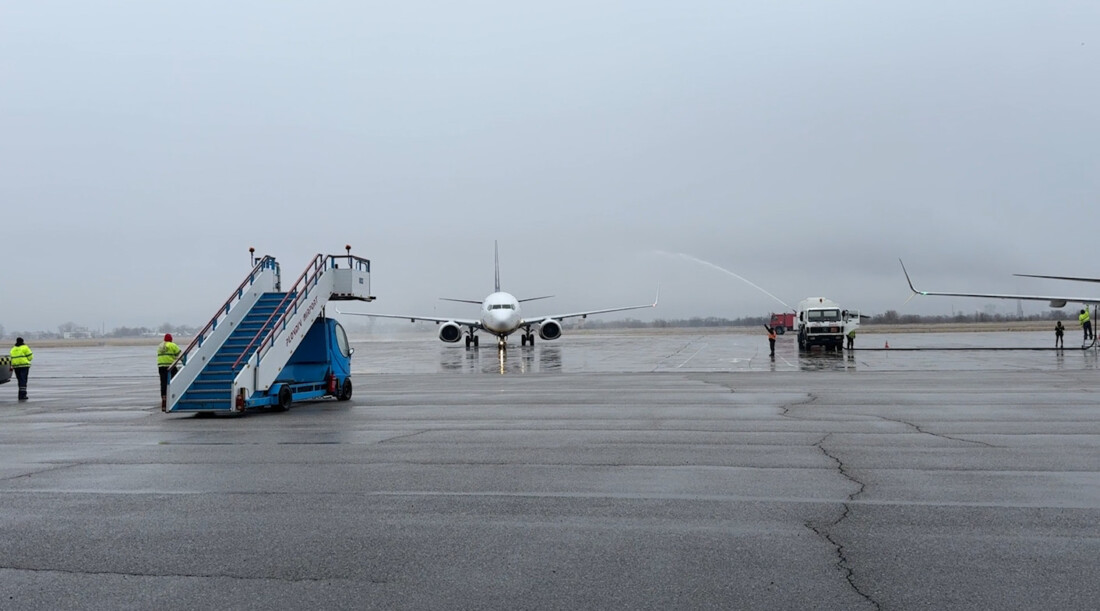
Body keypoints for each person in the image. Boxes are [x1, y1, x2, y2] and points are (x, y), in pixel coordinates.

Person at [157, 333, 181, 409]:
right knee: (176, 379)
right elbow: (180, 355)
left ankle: (164, 398)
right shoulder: (172, 345)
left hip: (161, 366)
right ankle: (175, 395)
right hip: (170, 366)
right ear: (171, 339)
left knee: (163, 382)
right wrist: (184, 362)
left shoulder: (160, 346)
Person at [10, 337, 33, 401]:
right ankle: (23, 395)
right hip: (24, 366)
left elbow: (11, 357)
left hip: (16, 366)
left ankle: (20, 395)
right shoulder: (25, 347)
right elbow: (30, 357)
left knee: (19, 380)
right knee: (23, 380)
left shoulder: (13, 349)